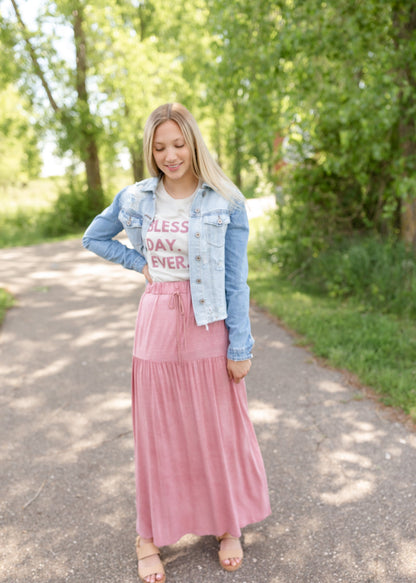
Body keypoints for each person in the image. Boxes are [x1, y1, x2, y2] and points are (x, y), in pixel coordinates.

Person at [82, 103, 271, 583]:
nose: (170, 155)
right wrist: (138, 264)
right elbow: (95, 237)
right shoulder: (135, 199)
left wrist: (240, 346)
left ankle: (228, 524)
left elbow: (236, 280)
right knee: (158, 434)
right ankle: (147, 536)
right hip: (157, 325)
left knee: (218, 431)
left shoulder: (224, 200)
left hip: (210, 324)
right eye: (160, 146)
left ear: (193, 142)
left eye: (178, 144)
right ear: (151, 150)